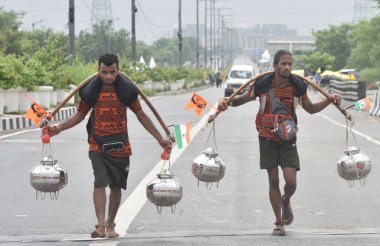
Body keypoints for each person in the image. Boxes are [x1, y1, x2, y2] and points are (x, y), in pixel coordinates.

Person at [44, 53, 172, 238]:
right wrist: (58, 128)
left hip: (121, 146)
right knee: (99, 182)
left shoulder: (127, 91)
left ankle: (111, 224)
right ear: (99, 71)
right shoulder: (91, 91)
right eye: (104, 72)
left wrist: (159, 138)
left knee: (116, 186)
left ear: (118, 70)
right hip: (97, 145)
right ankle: (100, 226)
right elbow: (80, 115)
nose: (109, 77)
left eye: (112, 72)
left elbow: (141, 115)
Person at [217, 50, 342, 236]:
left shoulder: (298, 85)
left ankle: (286, 200)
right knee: (273, 179)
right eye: (283, 64)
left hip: (288, 138)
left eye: (290, 64)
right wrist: (227, 102)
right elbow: (243, 99)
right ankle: (278, 222)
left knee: (291, 182)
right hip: (266, 136)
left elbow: (310, 108)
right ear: (275, 65)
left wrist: (329, 101)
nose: (287, 67)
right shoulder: (262, 83)